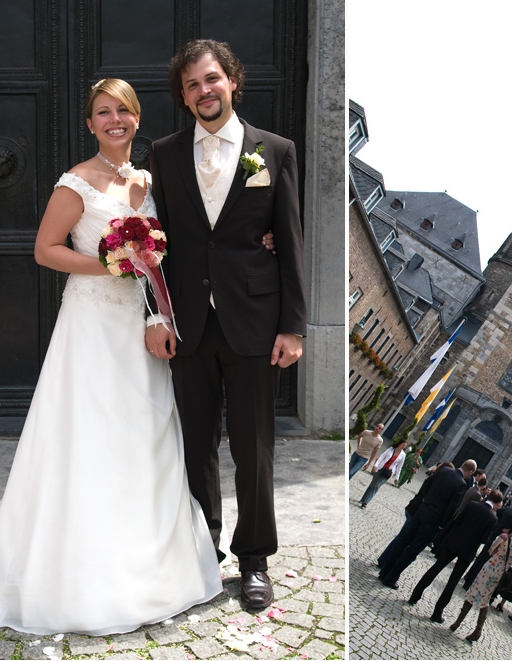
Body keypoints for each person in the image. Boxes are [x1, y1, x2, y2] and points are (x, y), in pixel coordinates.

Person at [0, 79, 271, 634]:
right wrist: (113, 265)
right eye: (103, 113)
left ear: (136, 117)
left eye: (123, 111)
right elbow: (45, 249)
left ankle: (151, 558)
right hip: (93, 323)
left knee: (146, 434)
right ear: (90, 123)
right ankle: (79, 566)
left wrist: (258, 240)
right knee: (89, 435)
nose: (114, 121)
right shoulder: (77, 182)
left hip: (146, 327)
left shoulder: (151, 181)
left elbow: (188, 243)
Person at [146, 39, 307, 611]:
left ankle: (256, 559)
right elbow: (152, 246)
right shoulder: (163, 155)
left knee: (254, 447)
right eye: (191, 85)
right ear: (183, 96)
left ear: (232, 81)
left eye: (211, 79)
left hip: (256, 323)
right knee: (195, 445)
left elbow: (289, 241)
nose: (203, 91)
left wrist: (293, 326)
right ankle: (200, 551)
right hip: (189, 321)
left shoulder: (276, 151)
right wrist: (156, 313)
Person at [377, 461, 475, 588]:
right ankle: (390, 578)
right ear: (471, 472)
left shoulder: (445, 471)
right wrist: (442, 525)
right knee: (412, 550)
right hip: (433, 521)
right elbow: (452, 507)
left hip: (422, 511)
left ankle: (384, 572)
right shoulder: (461, 484)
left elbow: (427, 483)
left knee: (404, 542)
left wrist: (426, 500)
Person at [409, 495, 501, 623]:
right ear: (497, 503)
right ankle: (437, 612)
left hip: (454, 541)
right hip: (468, 550)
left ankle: (415, 595)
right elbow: (484, 539)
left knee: (435, 568)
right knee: (453, 582)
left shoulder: (472, 504)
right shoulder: (493, 518)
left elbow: (458, 520)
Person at [449, 517, 512, 642]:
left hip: (490, 567)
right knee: (486, 598)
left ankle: (457, 622)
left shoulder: (504, 537)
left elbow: (491, 549)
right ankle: (478, 630)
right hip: (501, 573)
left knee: (474, 591)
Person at [359, 440, 408, 508]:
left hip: (388, 472)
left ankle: (365, 502)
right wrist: (376, 465)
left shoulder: (403, 455)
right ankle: (363, 499)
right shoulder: (391, 449)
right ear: (399, 444)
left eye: (405, 446)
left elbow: (399, 467)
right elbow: (382, 456)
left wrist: (397, 478)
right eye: (403, 445)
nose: (404, 447)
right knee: (373, 484)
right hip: (381, 468)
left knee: (376, 486)